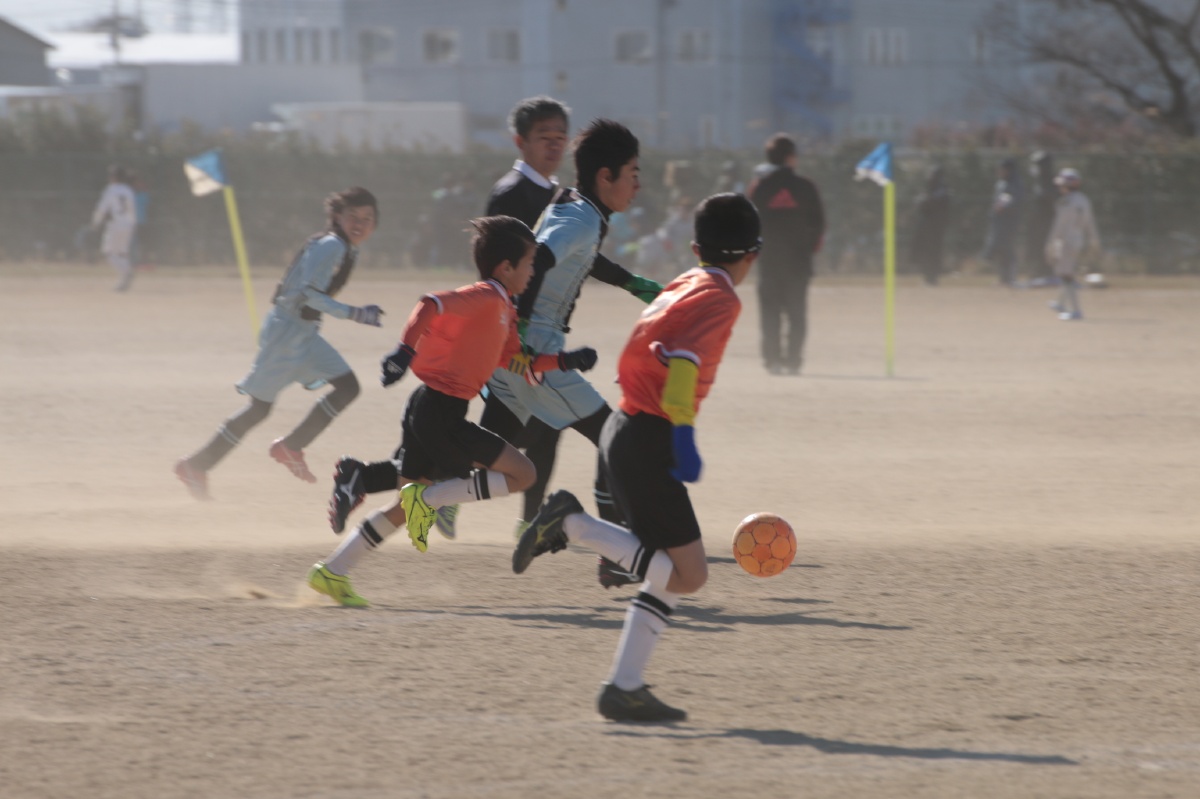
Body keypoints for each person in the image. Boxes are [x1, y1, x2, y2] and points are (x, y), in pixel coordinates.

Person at [329, 119, 663, 595]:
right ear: (605, 176)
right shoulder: (581, 217)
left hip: (516, 360)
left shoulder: (574, 206)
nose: (638, 184)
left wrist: (630, 282)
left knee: (453, 467)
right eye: (633, 173)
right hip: (533, 356)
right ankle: (617, 557)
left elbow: (571, 256)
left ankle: (350, 522)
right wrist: (521, 331)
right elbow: (542, 257)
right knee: (616, 441)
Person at [512, 192, 763, 723]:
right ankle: (572, 523)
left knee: (670, 571)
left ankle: (623, 688)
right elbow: (685, 362)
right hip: (648, 435)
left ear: (695, 249)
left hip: (625, 426)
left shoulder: (683, 282)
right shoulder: (722, 297)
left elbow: (644, 348)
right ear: (752, 256)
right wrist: (683, 435)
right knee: (688, 574)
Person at [308, 215, 598, 607]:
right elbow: (430, 304)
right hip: (440, 413)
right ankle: (422, 499)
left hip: (430, 408)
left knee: (405, 504)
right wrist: (404, 351)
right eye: (530, 263)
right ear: (505, 267)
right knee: (523, 474)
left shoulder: (505, 308)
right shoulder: (486, 296)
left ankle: (332, 571)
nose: (533, 271)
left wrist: (565, 361)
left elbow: (517, 361)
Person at [173, 187, 384, 500]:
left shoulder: (345, 248)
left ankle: (291, 447)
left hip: (302, 332)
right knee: (259, 409)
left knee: (348, 387)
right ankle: (196, 465)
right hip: (287, 334)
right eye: (352, 216)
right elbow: (309, 293)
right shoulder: (332, 245)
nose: (359, 223)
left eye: (367, 218)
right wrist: (356, 313)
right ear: (337, 217)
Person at [435, 96, 571, 541]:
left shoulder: (556, 195)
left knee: (536, 426)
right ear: (520, 141)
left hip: (536, 331)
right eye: (544, 137)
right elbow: (494, 266)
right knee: (514, 428)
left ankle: (525, 520)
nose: (554, 145)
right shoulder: (512, 193)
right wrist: (509, 326)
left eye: (560, 137)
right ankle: (445, 490)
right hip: (512, 331)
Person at [746, 133, 825, 375]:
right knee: (796, 314)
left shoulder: (759, 187)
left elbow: (749, 222)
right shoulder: (806, 186)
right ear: (791, 158)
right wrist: (808, 248)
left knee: (770, 313)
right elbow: (819, 223)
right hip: (798, 261)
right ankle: (793, 361)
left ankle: (772, 361)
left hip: (768, 261)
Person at [1045, 168, 1101, 321]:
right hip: (1078, 240)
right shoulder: (1084, 200)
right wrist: (1094, 240)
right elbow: (1090, 223)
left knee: (1066, 275)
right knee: (1066, 271)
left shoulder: (1065, 201)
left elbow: (1058, 226)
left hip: (1066, 241)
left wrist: (1050, 243)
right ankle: (1060, 303)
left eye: (1062, 184)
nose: (1060, 187)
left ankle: (1076, 311)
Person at [90, 164, 138, 291]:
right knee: (121, 253)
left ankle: (127, 272)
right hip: (128, 224)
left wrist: (95, 222)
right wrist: (133, 225)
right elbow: (132, 210)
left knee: (109, 253)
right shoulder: (128, 190)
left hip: (116, 224)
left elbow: (102, 208)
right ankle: (124, 281)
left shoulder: (111, 189)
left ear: (114, 177)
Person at [983, 157, 1024, 287]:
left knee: (1008, 249)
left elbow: (1017, 201)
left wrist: (1006, 207)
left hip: (1010, 222)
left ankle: (1010, 278)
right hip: (999, 222)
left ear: (1009, 170)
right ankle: (1003, 279)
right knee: (1001, 249)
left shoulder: (1016, 183)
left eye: (1002, 169)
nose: (999, 171)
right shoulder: (1001, 183)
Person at [908, 165, 952, 286]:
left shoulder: (941, 190)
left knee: (933, 252)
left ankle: (932, 278)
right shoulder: (931, 189)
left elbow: (931, 203)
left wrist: (923, 201)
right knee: (925, 252)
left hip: (935, 227)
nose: (929, 177)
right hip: (926, 226)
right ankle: (927, 277)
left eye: (932, 174)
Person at [1023, 150, 1059, 287]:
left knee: (1048, 249)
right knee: (1035, 248)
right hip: (1036, 224)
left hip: (1048, 224)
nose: (1035, 168)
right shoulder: (1037, 183)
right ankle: (1037, 274)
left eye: (1037, 165)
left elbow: (1053, 203)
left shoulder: (1053, 183)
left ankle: (1048, 273)